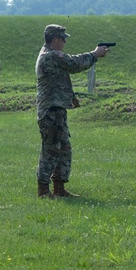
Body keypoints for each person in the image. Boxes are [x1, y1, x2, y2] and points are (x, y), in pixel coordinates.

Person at [35, 24, 109, 198]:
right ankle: (43, 190)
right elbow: (74, 63)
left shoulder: (48, 54)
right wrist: (94, 54)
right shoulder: (51, 55)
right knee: (51, 149)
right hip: (51, 110)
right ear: (55, 39)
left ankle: (59, 189)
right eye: (63, 39)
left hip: (57, 109)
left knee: (64, 149)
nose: (65, 42)